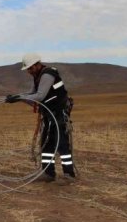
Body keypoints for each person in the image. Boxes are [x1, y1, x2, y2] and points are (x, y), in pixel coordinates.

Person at [6, 53, 77, 185]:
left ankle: (69, 175)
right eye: (28, 69)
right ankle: (48, 173)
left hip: (58, 113)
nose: (29, 71)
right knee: (47, 142)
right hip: (48, 114)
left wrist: (20, 98)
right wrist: (17, 97)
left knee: (61, 143)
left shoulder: (47, 74)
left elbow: (39, 96)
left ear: (37, 64)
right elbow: (32, 95)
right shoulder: (37, 76)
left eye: (30, 68)